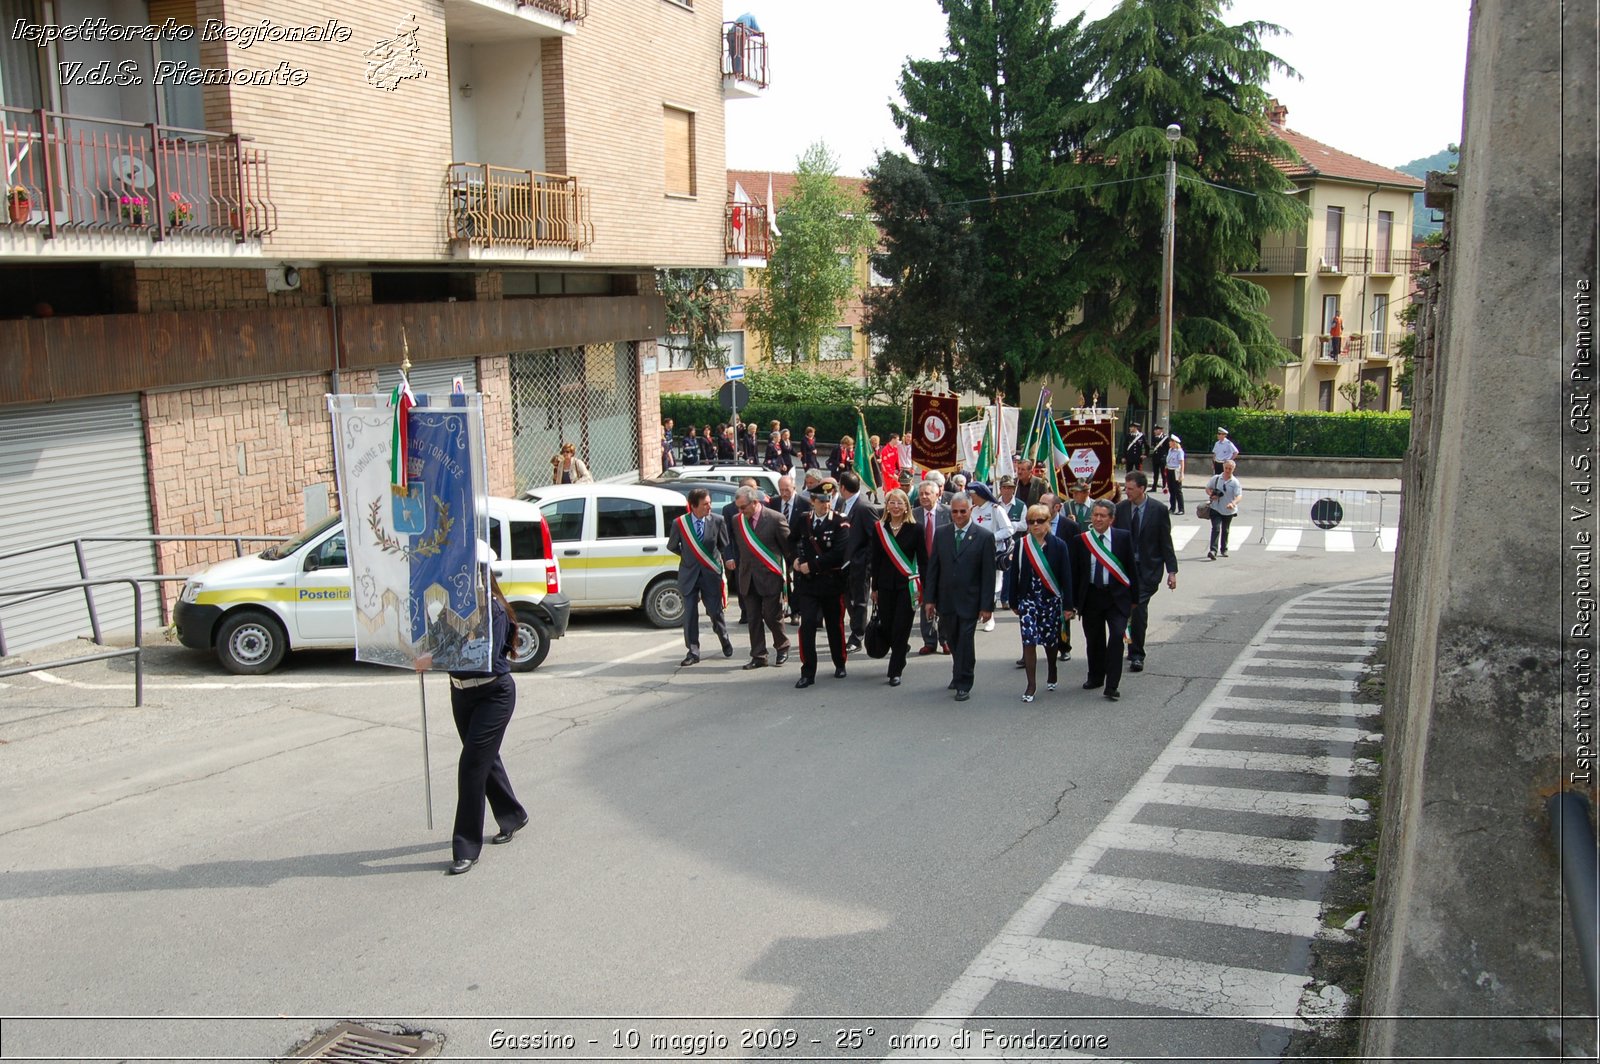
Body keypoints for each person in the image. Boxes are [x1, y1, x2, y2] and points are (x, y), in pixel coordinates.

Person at [413, 544, 527, 877]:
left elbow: (479, 653)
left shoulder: (494, 610)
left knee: (470, 767)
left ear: (479, 574)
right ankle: (513, 815)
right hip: (461, 694)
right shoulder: (449, 607)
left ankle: (466, 847)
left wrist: (433, 659)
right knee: (484, 759)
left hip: (493, 695)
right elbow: (436, 640)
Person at [923, 492, 995, 701]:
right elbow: (933, 569)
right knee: (953, 640)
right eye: (954, 511)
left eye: (963, 511)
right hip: (946, 600)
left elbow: (988, 575)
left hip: (971, 601)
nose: (959, 515)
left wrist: (986, 606)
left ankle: (965, 682)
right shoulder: (942, 534)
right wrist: (930, 599)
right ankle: (957, 673)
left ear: (971, 510)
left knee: (965, 641)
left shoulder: (984, 537)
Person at [1069, 499, 1136, 702]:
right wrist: (1072, 602)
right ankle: (1096, 676)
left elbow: (1131, 568)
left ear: (1111, 519)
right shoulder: (1081, 540)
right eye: (1095, 515)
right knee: (1094, 640)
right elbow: (1076, 572)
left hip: (1116, 597)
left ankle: (1112, 685)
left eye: (1102, 516)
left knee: (1116, 637)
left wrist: (1134, 599)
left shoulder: (1122, 538)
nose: (1098, 519)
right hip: (1091, 596)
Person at [1114, 472, 1178, 674]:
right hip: (1124, 570)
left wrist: (1172, 571)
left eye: (1131, 488)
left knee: (1138, 610)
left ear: (1142, 489)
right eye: (1126, 487)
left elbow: (1165, 542)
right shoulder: (1121, 509)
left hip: (1147, 570)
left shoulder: (1158, 510)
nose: (1127, 491)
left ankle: (1137, 655)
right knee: (1123, 611)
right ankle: (1127, 644)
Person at [1009, 503, 1074, 702]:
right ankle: (1031, 684)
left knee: (1050, 640)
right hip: (1028, 600)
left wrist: (1068, 606)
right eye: (1031, 521)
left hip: (1050, 600)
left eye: (1040, 521)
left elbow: (1066, 577)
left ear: (1048, 522)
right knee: (1028, 641)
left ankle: (1052, 669)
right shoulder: (1022, 544)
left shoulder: (1059, 545)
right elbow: (1015, 574)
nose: (1035, 525)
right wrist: (1013, 601)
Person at [790, 480, 849, 688]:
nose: (826, 505)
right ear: (813, 501)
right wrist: (795, 561)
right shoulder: (803, 520)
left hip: (831, 583)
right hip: (808, 585)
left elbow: (839, 553)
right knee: (806, 626)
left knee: (834, 625)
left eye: (829, 500)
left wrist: (812, 565)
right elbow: (791, 542)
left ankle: (839, 662)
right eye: (822, 501)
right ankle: (808, 671)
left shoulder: (840, 522)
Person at [666, 487, 734, 666]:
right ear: (694, 506)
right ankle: (693, 651)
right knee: (690, 614)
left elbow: (724, 545)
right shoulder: (679, 524)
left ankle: (724, 637)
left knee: (715, 611)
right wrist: (689, 558)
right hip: (689, 575)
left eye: (710, 503)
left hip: (710, 574)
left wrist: (720, 562)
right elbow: (672, 546)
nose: (709, 507)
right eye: (705, 504)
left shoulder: (718, 521)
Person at [869, 487, 927, 687]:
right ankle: (900, 652)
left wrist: (926, 589)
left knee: (901, 627)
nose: (895, 506)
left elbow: (924, 560)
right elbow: (875, 560)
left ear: (906, 506)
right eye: (891, 502)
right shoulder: (880, 528)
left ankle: (895, 670)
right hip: (885, 586)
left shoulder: (916, 529)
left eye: (899, 503)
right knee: (888, 626)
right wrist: (874, 587)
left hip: (907, 587)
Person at [728, 485, 790, 668]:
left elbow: (788, 548)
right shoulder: (736, 520)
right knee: (753, 619)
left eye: (743, 507)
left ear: (755, 502)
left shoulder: (775, 519)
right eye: (738, 507)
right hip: (748, 577)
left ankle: (782, 647)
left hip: (770, 576)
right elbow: (736, 545)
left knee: (772, 616)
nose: (740, 511)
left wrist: (790, 575)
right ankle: (759, 655)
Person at [835, 470, 879, 652]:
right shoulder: (842, 504)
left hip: (859, 565)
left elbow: (875, 539)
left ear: (843, 487)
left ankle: (857, 636)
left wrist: (863, 560)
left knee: (859, 601)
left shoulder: (864, 507)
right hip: (842, 564)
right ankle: (857, 628)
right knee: (848, 600)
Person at [912, 480, 951, 656]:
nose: (924, 497)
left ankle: (945, 639)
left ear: (937, 494)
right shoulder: (913, 515)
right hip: (922, 566)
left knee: (944, 603)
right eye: (921, 494)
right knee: (925, 603)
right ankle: (929, 641)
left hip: (944, 565)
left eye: (928, 493)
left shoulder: (948, 513)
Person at [968, 481, 1011, 631]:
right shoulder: (972, 510)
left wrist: (991, 537)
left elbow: (1008, 530)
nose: (971, 498)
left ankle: (990, 617)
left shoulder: (996, 509)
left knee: (990, 585)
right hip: (974, 552)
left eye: (972, 495)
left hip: (992, 552)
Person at [1204, 460, 1243, 560]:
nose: (1227, 470)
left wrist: (1233, 503)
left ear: (1233, 469)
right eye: (1226, 468)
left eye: (1230, 468)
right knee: (1216, 528)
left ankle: (1224, 548)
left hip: (1228, 510)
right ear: (1223, 467)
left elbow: (1239, 496)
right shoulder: (1216, 478)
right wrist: (1211, 495)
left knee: (1225, 529)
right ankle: (1213, 550)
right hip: (1215, 508)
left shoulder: (1235, 482)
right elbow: (1208, 488)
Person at [1164, 434, 1186, 514]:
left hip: (1176, 471)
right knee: (1171, 490)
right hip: (1169, 470)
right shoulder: (1170, 450)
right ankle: (1172, 507)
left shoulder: (1179, 451)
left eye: (1171, 441)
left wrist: (1181, 473)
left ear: (1175, 442)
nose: (1169, 443)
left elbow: (1182, 463)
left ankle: (1181, 509)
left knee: (1178, 490)